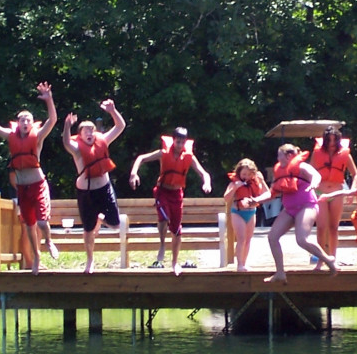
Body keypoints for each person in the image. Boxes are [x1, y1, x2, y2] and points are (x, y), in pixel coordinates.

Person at [0, 82, 59, 275]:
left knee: (42, 223)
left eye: (28, 120)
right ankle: (36, 257)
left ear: (32, 123)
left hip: (37, 184)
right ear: (18, 123)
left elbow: (52, 120)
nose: (26, 123)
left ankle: (49, 242)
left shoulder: (38, 137)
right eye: (22, 121)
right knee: (28, 225)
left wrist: (49, 99)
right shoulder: (11, 135)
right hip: (22, 187)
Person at [244, 144, 337, 284]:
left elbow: (316, 175)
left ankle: (328, 260)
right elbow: (272, 193)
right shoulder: (280, 171)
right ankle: (280, 273)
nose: (277, 158)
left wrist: (313, 184)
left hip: (307, 206)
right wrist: (256, 200)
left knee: (302, 240)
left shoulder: (301, 166)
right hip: (289, 209)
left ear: (288, 155)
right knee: (272, 237)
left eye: (279, 155)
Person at [129, 127, 212, 275]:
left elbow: (204, 173)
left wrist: (207, 183)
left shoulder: (189, 157)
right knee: (164, 217)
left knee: (177, 230)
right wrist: (134, 174)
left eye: (182, 142)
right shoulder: (163, 153)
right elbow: (141, 158)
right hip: (162, 192)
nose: (180, 145)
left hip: (177, 194)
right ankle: (162, 244)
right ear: (173, 140)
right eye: (177, 141)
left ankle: (175, 262)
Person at [61, 99, 126, 274]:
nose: (89, 132)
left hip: (104, 188)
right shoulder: (76, 148)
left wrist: (112, 111)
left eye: (92, 129)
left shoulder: (102, 140)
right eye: (85, 130)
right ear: (80, 134)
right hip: (86, 192)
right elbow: (66, 142)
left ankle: (100, 218)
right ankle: (90, 261)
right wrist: (67, 126)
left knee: (114, 223)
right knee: (88, 229)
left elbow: (120, 126)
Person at [310, 126, 357, 264]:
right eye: (329, 140)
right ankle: (321, 259)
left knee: (333, 227)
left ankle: (333, 259)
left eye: (334, 140)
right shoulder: (317, 153)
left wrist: (351, 191)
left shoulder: (345, 154)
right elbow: (309, 171)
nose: (331, 143)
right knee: (321, 227)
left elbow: (355, 174)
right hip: (320, 192)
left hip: (337, 193)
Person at [223, 158, 270, 271]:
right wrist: (235, 187)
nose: (246, 177)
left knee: (248, 239)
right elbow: (226, 198)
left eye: (249, 174)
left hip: (251, 212)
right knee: (241, 239)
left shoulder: (256, 182)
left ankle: (244, 263)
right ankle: (239, 265)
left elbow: (268, 193)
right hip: (238, 213)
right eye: (244, 174)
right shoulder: (234, 183)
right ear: (239, 172)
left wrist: (262, 181)